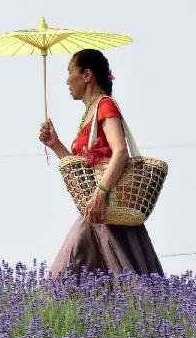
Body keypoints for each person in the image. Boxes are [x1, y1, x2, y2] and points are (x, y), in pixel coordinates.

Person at [38, 49, 163, 281]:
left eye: (69, 72)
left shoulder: (105, 105)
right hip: (97, 210)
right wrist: (55, 144)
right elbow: (83, 169)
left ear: (87, 75)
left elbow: (120, 152)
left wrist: (100, 194)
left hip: (108, 206)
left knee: (66, 275)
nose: (67, 80)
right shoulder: (89, 113)